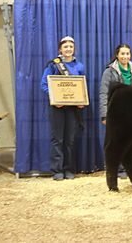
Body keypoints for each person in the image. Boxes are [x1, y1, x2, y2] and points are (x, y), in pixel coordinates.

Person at [41, 36, 86, 181]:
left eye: (71, 47)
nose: (68, 49)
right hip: (57, 108)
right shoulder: (53, 65)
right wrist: (55, 99)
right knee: (58, 139)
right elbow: (44, 84)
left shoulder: (79, 66)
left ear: (74, 49)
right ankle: (57, 171)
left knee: (70, 140)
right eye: (65, 47)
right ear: (61, 49)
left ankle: (69, 169)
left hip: (72, 108)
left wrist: (82, 100)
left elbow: (82, 86)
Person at [99, 44, 132, 179]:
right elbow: (103, 93)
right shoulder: (109, 72)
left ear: (130, 56)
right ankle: (114, 170)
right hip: (116, 114)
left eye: (127, 54)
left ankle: (127, 169)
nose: (125, 56)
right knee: (115, 142)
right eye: (122, 54)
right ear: (117, 55)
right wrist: (104, 114)